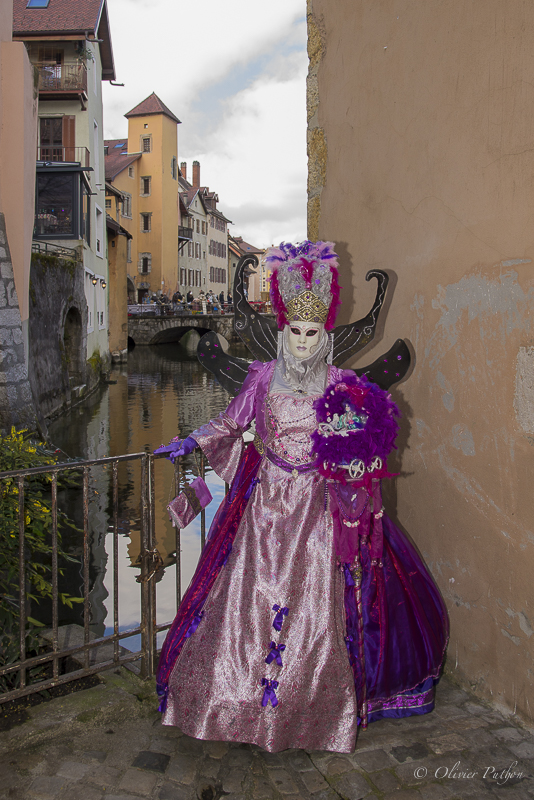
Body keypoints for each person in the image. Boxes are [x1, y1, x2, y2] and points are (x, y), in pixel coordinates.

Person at [155, 241, 448, 754]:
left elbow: (364, 440)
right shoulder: (262, 377)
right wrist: (191, 441)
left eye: (314, 333)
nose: (306, 341)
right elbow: (232, 422)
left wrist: (358, 458)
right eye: (297, 331)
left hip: (318, 508)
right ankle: (234, 702)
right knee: (246, 595)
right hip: (263, 505)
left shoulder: (343, 383)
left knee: (321, 606)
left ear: (325, 333)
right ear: (284, 329)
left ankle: (310, 707)